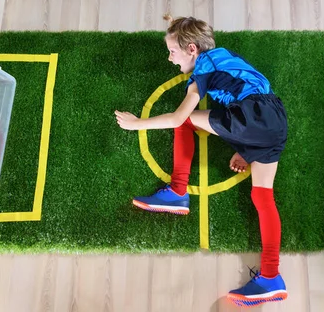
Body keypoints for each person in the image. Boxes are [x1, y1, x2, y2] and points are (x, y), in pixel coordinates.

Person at [115, 15, 288, 307]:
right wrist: (246, 151)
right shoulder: (222, 57)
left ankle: (178, 192)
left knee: (184, 123)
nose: (170, 59)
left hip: (251, 115)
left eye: (172, 51)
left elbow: (178, 117)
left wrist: (136, 124)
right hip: (275, 119)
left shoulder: (204, 68)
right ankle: (271, 276)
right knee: (263, 196)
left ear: (192, 49)